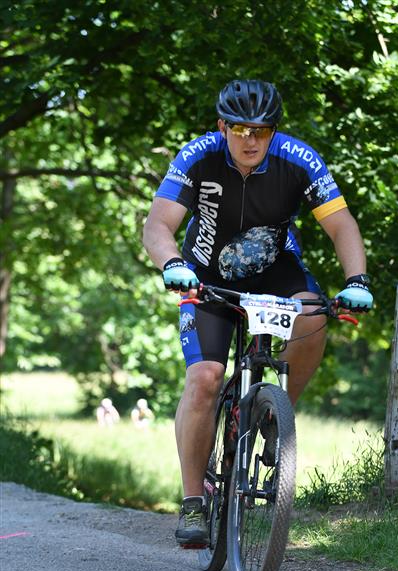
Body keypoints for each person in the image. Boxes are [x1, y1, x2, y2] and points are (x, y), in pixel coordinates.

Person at [143, 79, 373, 547]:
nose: (251, 140)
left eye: (262, 131)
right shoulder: (198, 155)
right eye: (241, 130)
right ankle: (193, 501)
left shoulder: (299, 159)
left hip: (274, 268)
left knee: (313, 315)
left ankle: (274, 416)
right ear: (222, 127)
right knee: (205, 377)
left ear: (274, 131)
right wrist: (172, 264)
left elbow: (340, 224)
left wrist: (357, 281)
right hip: (205, 274)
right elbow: (157, 224)